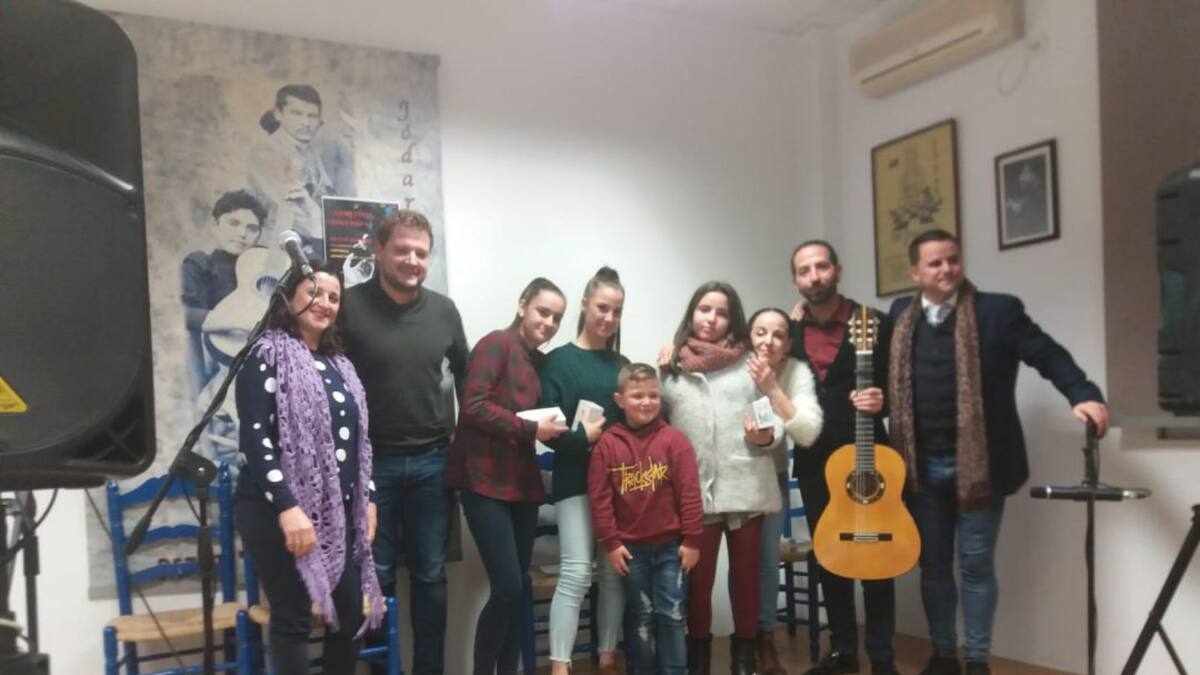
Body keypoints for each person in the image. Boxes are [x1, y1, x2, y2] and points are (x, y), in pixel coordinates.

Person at [888, 229, 1109, 675]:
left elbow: (1046, 353)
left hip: (981, 466)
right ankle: (944, 654)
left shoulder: (997, 312)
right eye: (935, 263)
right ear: (915, 272)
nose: (946, 268)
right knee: (932, 567)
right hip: (919, 469)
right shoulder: (899, 315)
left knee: (975, 565)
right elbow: (866, 350)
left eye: (952, 259)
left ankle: (976, 659)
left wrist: (1082, 393)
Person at [233, 262, 384, 675]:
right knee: (294, 617)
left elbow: (357, 443)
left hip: (336, 515)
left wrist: (368, 498)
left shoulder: (341, 367)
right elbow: (256, 441)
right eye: (315, 293)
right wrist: (287, 506)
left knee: (350, 614)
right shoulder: (265, 355)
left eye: (334, 297)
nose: (326, 304)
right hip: (276, 512)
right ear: (289, 298)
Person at [340, 209, 469, 675]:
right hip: (371, 466)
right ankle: (382, 669)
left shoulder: (444, 310)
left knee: (432, 575)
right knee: (375, 576)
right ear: (378, 249)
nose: (412, 260)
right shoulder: (348, 306)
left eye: (421, 252)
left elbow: (469, 381)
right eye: (402, 250)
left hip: (434, 462)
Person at [446, 278, 570, 675]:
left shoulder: (539, 362)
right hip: (483, 480)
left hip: (522, 484)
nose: (549, 323)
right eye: (543, 312)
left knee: (517, 592)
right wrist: (531, 429)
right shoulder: (496, 343)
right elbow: (474, 406)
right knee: (508, 588)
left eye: (557, 318)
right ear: (522, 305)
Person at [787, 240, 900, 675]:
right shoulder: (790, 331)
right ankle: (844, 652)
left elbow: (898, 389)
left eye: (821, 267)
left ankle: (884, 657)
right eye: (804, 270)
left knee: (877, 558)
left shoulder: (876, 323)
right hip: (815, 460)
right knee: (830, 555)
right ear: (795, 280)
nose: (814, 276)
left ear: (837, 268)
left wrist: (882, 401)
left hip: (871, 459)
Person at [659, 281, 782, 675]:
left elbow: (773, 413)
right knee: (697, 582)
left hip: (746, 484)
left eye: (722, 312)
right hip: (696, 492)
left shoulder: (751, 362)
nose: (711, 319)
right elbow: (657, 429)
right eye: (704, 309)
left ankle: (743, 659)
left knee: (746, 578)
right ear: (691, 313)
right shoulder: (670, 367)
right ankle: (698, 660)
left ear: (734, 319)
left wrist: (768, 435)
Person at [538, 267, 628, 675]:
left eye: (617, 311)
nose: (608, 318)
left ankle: (607, 657)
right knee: (575, 572)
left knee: (613, 573)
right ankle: (560, 665)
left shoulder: (621, 364)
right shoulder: (557, 362)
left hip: (619, 486)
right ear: (585, 306)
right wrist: (584, 440)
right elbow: (549, 434)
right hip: (575, 482)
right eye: (602, 308)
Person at [588, 363, 705, 675]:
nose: (646, 402)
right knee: (641, 616)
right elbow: (599, 500)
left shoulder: (674, 440)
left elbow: (690, 494)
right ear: (619, 400)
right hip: (631, 551)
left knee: (673, 614)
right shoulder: (607, 445)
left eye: (653, 395)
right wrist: (611, 544)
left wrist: (693, 540)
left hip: (672, 548)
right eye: (637, 395)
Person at [743, 308, 824, 675]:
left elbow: (806, 432)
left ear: (789, 342)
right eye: (760, 332)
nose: (768, 342)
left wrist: (773, 388)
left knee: (765, 559)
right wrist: (671, 349)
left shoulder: (796, 371)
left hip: (771, 477)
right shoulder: (732, 364)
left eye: (778, 335)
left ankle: (764, 637)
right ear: (748, 336)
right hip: (727, 479)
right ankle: (729, 640)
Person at [181, 189, 267, 396]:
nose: (242, 233)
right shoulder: (201, 264)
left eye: (252, 228)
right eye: (233, 223)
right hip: (223, 365)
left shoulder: (266, 266)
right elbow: (185, 314)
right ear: (215, 226)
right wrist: (239, 322)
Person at [248, 84, 334, 254]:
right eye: (297, 114)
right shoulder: (267, 150)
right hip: (275, 248)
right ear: (279, 114)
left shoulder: (309, 151)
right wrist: (328, 237)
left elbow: (327, 194)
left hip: (305, 245)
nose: (306, 122)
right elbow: (291, 209)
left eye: (312, 116)